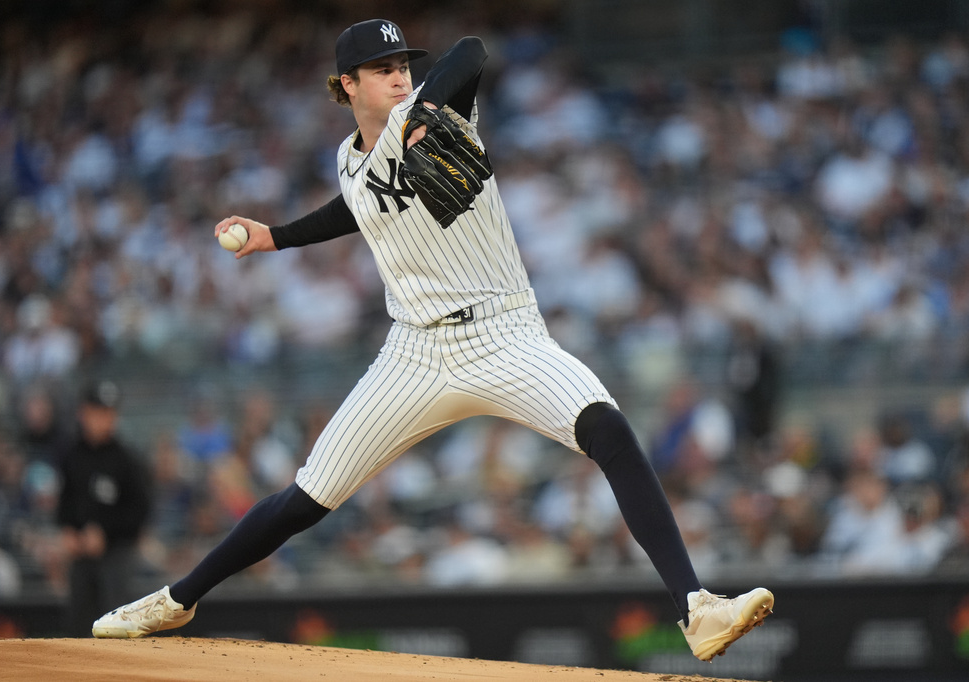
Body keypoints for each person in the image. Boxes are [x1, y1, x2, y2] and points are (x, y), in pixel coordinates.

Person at [91, 19, 773, 661]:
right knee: (304, 499)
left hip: (504, 332)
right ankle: (177, 600)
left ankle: (696, 607)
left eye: (401, 67)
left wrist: (421, 116)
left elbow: (472, 51)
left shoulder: (440, 113)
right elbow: (356, 205)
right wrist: (275, 236)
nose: (396, 77)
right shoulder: (346, 160)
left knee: (610, 431)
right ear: (345, 86)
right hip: (414, 352)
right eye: (379, 69)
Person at [58, 380, 151, 635]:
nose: (104, 419)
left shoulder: (127, 460)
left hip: (116, 555)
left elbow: (140, 510)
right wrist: (68, 530)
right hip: (80, 554)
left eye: (109, 413)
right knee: (78, 622)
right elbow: (64, 500)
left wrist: (105, 533)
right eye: (98, 412)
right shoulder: (71, 454)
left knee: (115, 622)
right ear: (83, 413)